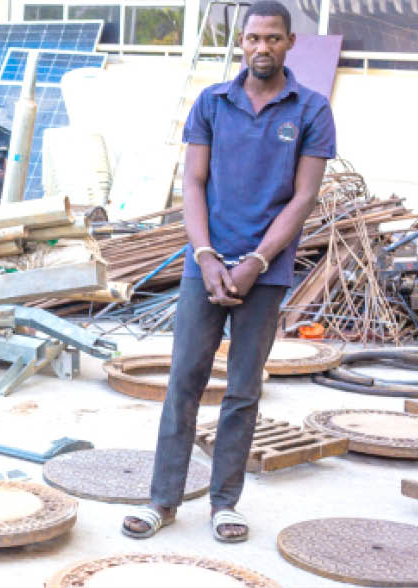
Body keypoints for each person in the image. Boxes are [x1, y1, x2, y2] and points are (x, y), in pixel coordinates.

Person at [120, 1, 335, 543]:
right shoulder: (213, 102)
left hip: (266, 271)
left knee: (243, 388)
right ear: (242, 43)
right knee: (184, 381)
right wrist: (207, 256)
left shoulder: (310, 110)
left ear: (289, 43)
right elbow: (192, 184)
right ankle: (162, 500)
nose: (261, 47)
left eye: (272, 38)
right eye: (252, 38)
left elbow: (304, 196)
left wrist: (257, 262)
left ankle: (224, 504)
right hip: (206, 266)